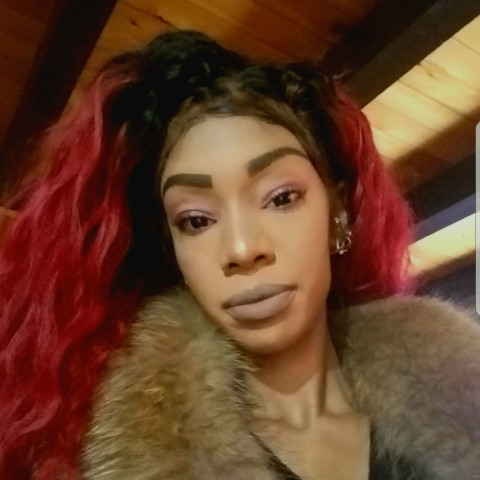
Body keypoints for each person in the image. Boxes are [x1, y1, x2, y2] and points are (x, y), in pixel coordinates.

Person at [0, 30, 479, 480]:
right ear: (173, 253)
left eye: (281, 198)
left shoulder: (460, 393)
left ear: (337, 212)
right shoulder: (107, 457)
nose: (242, 249)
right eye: (196, 220)